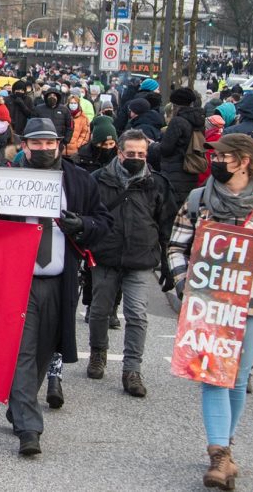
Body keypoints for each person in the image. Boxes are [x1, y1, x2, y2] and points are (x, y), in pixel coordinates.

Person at [0, 117, 111, 457]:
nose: (44, 149)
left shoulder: (79, 181)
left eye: (50, 143)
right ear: (25, 146)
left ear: (59, 144)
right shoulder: (6, 179)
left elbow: (104, 223)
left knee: (47, 348)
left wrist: (83, 225)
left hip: (60, 280)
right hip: (19, 279)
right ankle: (29, 428)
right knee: (23, 350)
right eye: (36, 143)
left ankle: (18, 406)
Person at [167, 133, 253, 489]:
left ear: (244, 160)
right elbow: (176, 245)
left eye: (222, 157)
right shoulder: (198, 198)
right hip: (210, 305)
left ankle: (226, 448)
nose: (214, 162)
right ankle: (218, 453)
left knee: (238, 375)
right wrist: (185, 282)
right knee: (211, 372)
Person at [85, 130, 176, 399]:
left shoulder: (157, 183)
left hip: (140, 258)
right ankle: (98, 353)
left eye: (141, 154)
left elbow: (166, 225)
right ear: (119, 153)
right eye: (131, 154)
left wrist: (168, 264)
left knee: (136, 314)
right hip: (105, 255)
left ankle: (132, 369)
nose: (136, 158)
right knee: (99, 311)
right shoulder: (98, 180)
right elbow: (87, 216)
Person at [159, 87, 207, 206]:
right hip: (191, 171)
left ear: (175, 105)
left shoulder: (177, 121)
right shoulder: (199, 121)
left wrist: (153, 146)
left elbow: (165, 149)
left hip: (174, 173)